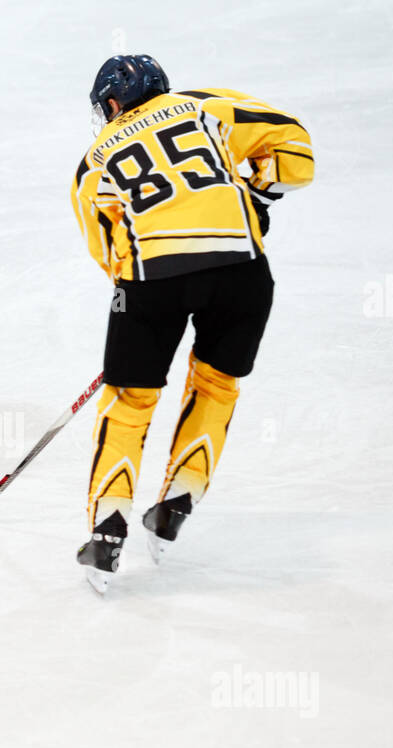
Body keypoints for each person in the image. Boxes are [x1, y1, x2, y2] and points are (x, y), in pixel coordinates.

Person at [70, 55, 314, 592]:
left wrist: (135, 308)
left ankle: (108, 531)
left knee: (130, 403)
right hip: (242, 272)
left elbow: (106, 249)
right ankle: (178, 500)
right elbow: (295, 148)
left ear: (112, 103)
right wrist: (257, 193)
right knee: (216, 384)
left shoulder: (96, 157)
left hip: (152, 281)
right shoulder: (206, 105)